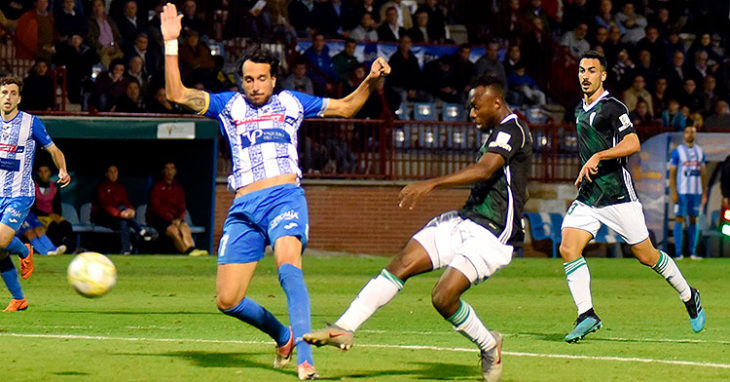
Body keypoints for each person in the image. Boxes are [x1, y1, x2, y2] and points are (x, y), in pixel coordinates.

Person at [160, 3, 390, 380]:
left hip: (284, 197)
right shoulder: (227, 106)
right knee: (227, 299)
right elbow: (177, 93)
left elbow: (348, 108)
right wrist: (171, 43)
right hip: (244, 206)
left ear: (273, 79)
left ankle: (305, 359)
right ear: (241, 81)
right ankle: (283, 336)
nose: (255, 86)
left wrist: (370, 80)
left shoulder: (292, 102)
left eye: (262, 79)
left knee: (289, 270)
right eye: (248, 80)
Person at [303, 75, 531, 382]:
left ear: (496, 102)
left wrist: (432, 183)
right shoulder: (495, 133)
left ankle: (490, 345)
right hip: (465, 220)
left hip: (493, 233)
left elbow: (486, 169)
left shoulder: (513, 128)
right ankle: (344, 328)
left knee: (443, 297)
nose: (472, 114)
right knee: (402, 262)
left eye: (476, 108)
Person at [559, 51, 704, 343]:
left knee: (646, 255)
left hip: (617, 195)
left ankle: (689, 295)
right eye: (581, 70)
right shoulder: (578, 110)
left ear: (603, 76)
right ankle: (587, 314)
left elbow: (633, 142)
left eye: (591, 71)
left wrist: (599, 155)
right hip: (589, 196)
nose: (585, 75)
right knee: (568, 247)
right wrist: (587, 166)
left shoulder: (613, 107)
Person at [0, 76, 71, 312]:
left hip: (19, 193)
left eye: (12, 93)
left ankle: (23, 249)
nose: (7, 97)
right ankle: (19, 299)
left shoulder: (31, 123)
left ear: (19, 98)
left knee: (0, 242)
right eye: (3, 93)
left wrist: (61, 168)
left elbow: (53, 149)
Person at [91, 165, 154, 254]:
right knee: (123, 215)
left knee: (124, 221)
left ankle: (126, 250)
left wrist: (131, 210)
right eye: (111, 172)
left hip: (118, 218)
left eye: (115, 172)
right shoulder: (101, 187)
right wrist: (119, 213)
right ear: (106, 174)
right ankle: (140, 231)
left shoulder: (120, 187)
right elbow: (105, 205)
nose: (113, 174)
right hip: (103, 217)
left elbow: (125, 202)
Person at [147, 162, 206, 256]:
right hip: (159, 220)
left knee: (185, 227)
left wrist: (179, 219)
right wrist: (171, 220)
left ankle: (192, 248)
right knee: (173, 230)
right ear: (163, 171)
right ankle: (186, 251)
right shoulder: (157, 187)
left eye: (172, 169)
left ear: (175, 171)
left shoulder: (178, 188)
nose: (170, 171)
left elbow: (182, 207)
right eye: (167, 169)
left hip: (175, 219)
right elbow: (156, 208)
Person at [669, 126, 706, 260]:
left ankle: (692, 252)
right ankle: (678, 253)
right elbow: (672, 173)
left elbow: (703, 173)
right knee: (679, 218)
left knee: (693, 219)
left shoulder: (700, 152)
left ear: (695, 134)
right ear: (684, 134)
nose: (690, 134)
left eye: (693, 132)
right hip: (682, 191)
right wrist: (673, 191)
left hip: (695, 192)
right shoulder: (677, 152)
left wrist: (704, 191)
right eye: (688, 132)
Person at [32, 164, 75, 252]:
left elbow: (57, 204)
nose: (43, 174)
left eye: (46, 171)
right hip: (38, 216)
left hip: (52, 215)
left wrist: (56, 215)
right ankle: (56, 247)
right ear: (37, 173)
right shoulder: (33, 187)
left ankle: (70, 248)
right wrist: (48, 215)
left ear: (50, 173)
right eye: (40, 171)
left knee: (66, 225)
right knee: (53, 226)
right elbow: (32, 207)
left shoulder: (54, 187)